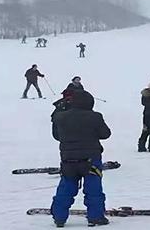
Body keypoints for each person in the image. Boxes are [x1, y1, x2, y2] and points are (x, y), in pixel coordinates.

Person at [51, 90, 111, 227]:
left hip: (68, 160)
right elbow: (105, 134)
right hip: (91, 159)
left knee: (66, 189)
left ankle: (59, 217)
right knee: (93, 189)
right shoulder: (95, 117)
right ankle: (96, 217)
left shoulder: (60, 117)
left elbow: (56, 136)